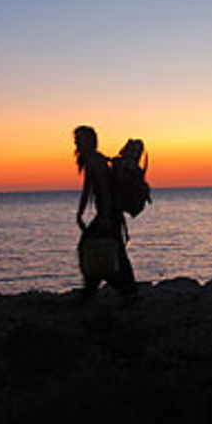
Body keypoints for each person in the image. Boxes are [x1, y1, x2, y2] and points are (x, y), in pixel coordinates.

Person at [74, 125, 137, 298]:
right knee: (111, 249)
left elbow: (104, 189)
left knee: (92, 246)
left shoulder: (96, 160)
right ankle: (126, 290)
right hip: (107, 213)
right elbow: (87, 188)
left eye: (79, 138)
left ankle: (95, 288)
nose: (76, 142)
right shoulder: (89, 160)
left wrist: (106, 217)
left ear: (89, 140)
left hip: (108, 213)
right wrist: (80, 213)